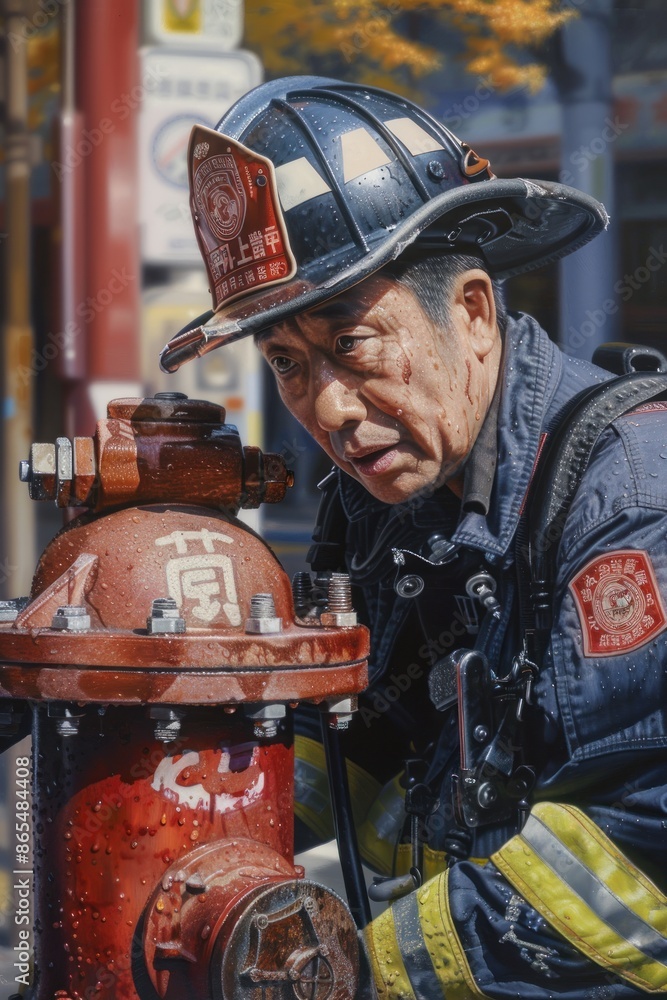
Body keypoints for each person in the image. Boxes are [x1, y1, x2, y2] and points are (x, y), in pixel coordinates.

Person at [161, 77, 667, 997]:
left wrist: (353, 971)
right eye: (287, 362)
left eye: (353, 345)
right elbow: (349, 746)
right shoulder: (389, 502)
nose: (327, 408)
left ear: (471, 313)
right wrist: (202, 853)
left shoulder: (628, 505)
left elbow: (640, 862)